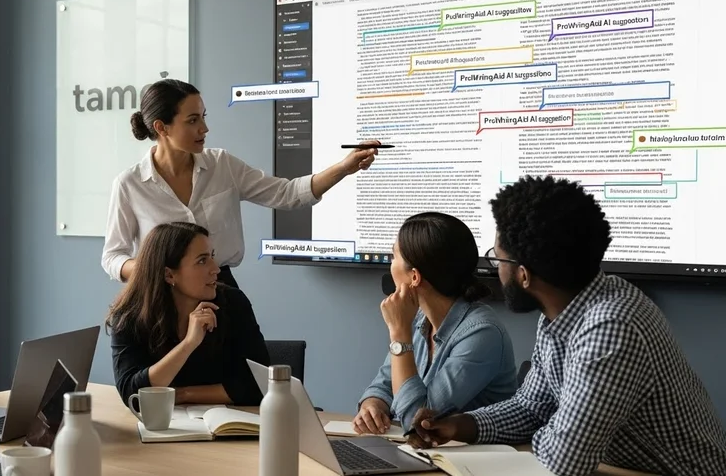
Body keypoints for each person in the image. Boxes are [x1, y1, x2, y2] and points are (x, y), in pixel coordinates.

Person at [409, 176, 726, 476]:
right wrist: (459, 425)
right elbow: (532, 408)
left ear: (523, 275)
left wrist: (552, 426)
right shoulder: (560, 313)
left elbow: (564, 461)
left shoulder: (611, 328)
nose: (496, 269)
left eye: (498, 260)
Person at [102, 78, 380, 287]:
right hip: (161, 296)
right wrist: (152, 271)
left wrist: (344, 168)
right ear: (162, 127)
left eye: (203, 117)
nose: (204, 128)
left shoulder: (222, 165)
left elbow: (287, 194)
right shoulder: (129, 184)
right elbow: (113, 256)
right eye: (193, 120)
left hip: (222, 291)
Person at [353, 212, 517, 435]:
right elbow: (385, 383)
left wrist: (399, 335)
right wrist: (372, 405)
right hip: (422, 450)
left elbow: (418, 422)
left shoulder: (482, 333)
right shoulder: (417, 317)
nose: (390, 266)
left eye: (393, 257)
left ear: (414, 277)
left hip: (469, 456)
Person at [106, 221, 270, 407]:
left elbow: (259, 385)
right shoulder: (129, 315)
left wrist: (183, 394)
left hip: (224, 421)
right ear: (169, 275)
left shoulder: (233, 303)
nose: (216, 269)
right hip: (158, 423)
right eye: (202, 261)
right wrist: (189, 344)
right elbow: (133, 394)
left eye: (212, 256)